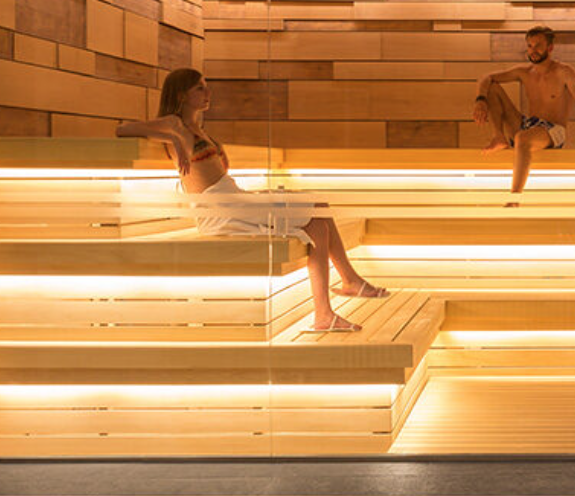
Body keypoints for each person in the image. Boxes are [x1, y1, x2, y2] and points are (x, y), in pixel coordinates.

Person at [115, 68, 388, 332]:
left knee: (319, 220)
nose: (208, 93)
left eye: (207, 86)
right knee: (317, 210)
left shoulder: (200, 129)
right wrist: (173, 140)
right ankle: (342, 291)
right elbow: (123, 130)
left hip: (233, 198)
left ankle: (329, 307)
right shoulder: (175, 124)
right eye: (199, 88)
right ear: (181, 95)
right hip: (219, 207)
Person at [472, 25, 575, 203]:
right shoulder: (524, 72)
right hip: (529, 125)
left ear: (550, 47)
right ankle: (499, 137)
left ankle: (514, 199)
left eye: (538, 46)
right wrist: (480, 100)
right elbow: (486, 77)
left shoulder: (564, 72)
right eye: (530, 46)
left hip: (553, 130)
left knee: (522, 138)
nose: (533, 50)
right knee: (492, 87)